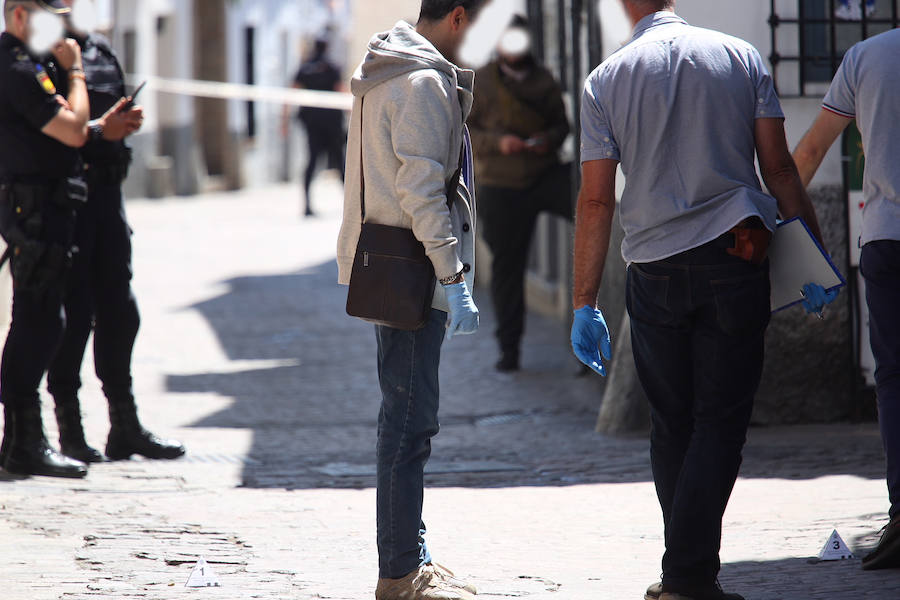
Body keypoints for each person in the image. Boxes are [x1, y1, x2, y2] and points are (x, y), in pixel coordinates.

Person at [570, 1, 837, 599]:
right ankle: (688, 577)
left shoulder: (604, 79)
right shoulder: (739, 57)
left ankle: (687, 576)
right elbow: (779, 170)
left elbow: (595, 202)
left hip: (654, 268)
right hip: (733, 258)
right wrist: (812, 254)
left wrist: (584, 300)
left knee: (672, 426)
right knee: (720, 422)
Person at [336, 1, 485, 597]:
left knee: (405, 417)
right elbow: (421, 190)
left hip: (388, 261)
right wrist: (453, 277)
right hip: (413, 270)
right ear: (456, 17)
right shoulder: (421, 81)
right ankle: (399, 572)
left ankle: (408, 555)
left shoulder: (386, 71)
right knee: (407, 424)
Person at [44, 0, 185, 464]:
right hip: (68, 203)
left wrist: (123, 124)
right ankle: (69, 429)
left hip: (108, 201)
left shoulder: (100, 51)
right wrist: (106, 130)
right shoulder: (41, 60)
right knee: (74, 314)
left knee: (121, 313)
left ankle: (124, 426)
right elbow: (54, 132)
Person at [792, 27, 900, 571]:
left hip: (888, 237)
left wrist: (776, 229)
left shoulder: (866, 56)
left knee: (894, 378)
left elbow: (811, 150)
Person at [0, 0, 90, 478]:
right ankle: (23, 443)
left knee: (41, 320)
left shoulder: (28, 62)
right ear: (19, 17)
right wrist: (75, 74)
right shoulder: (17, 68)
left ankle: (20, 440)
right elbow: (72, 130)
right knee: (37, 322)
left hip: (46, 205)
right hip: (33, 207)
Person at [467, 15, 571, 372]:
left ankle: (589, 340)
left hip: (544, 175)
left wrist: (547, 141)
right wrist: (501, 143)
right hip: (501, 184)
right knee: (507, 269)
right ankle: (508, 349)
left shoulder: (544, 80)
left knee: (592, 218)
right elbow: (467, 131)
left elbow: (562, 124)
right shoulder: (481, 81)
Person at [286, 37, 345, 217]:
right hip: (332, 122)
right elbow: (340, 90)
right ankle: (352, 206)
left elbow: (291, 92)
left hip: (312, 123)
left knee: (311, 163)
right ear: (326, 47)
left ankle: (307, 205)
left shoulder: (305, 68)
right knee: (341, 164)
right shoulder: (332, 67)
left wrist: (284, 121)